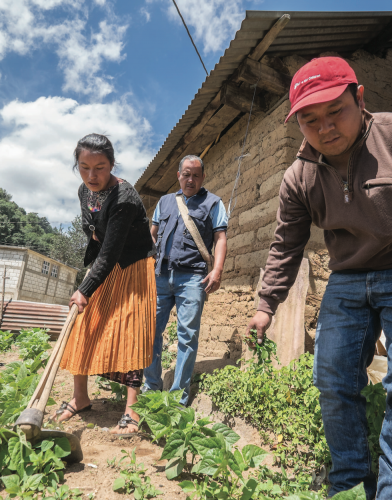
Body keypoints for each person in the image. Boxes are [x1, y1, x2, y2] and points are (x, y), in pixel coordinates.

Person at [247, 56, 392, 499]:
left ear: (360, 98)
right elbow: (285, 245)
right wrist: (264, 305)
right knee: (331, 378)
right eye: (311, 120)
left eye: (336, 112)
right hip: (347, 278)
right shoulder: (298, 177)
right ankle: (349, 483)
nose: (326, 128)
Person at [52, 133, 156, 436]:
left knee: (131, 331)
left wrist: (84, 289)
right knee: (83, 325)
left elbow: (111, 250)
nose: (92, 175)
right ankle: (81, 398)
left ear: (112, 165)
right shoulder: (84, 192)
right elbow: (94, 232)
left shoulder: (124, 197)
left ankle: (132, 411)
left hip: (134, 266)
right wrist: (89, 282)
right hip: (105, 265)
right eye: (84, 167)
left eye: (100, 167)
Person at [142, 155, 228, 406]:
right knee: (150, 332)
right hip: (160, 276)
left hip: (192, 277)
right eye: (186, 174)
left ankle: (177, 397)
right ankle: (151, 387)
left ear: (202, 177)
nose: (191, 179)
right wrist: (147, 262)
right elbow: (153, 234)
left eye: (196, 175)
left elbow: (220, 237)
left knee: (187, 335)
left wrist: (218, 270)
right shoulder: (165, 202)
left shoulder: (213, 203)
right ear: (178, 175)